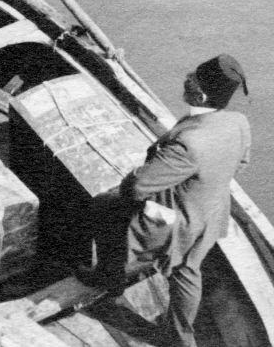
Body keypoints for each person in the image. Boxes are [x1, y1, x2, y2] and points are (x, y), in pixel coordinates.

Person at [80, 54, 251, 347]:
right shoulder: (237, 122)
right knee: (188, 270)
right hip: (211, 213)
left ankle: (110, 281)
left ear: (201, 93)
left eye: (193, 76)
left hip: (174, 224)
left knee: (104, 207)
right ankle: (181, 338)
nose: (187, 76)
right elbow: (241, 164)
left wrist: (153, 184)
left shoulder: (189, 144)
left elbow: (138, 187)